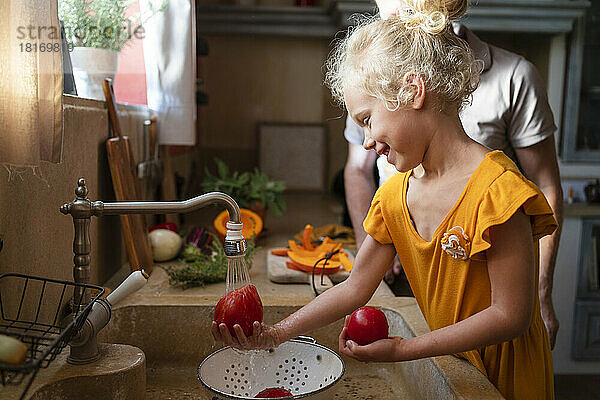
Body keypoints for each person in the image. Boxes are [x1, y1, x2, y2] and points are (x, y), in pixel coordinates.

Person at [213, 2, 557, 398]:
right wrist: (275, 333)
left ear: (412, 91)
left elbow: (510, 316)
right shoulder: (394, 194)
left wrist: (404, 349)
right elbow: (355, 287)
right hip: (458, 367)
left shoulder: (497, 192)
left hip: (511, 380)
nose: (366, 140)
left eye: (366, 119)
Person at [344, 0, 563, 349]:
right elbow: (358, 168)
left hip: (492, 286)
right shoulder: (375, 77)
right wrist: (373, 247)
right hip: (407, 263)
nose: (385, 9)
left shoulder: (514, 79)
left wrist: (540, 290)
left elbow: (545, 186)